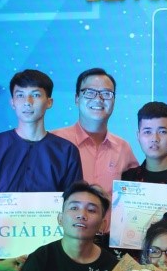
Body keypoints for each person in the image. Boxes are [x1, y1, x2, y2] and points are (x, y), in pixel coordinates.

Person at [0, 69, 82, 271]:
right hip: (1, 259)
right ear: (12, 102)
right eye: (20, 95)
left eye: (36, 95)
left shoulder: (66, 151)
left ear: (49, 102)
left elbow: (73, 207)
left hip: (51, 260)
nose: (27, 102)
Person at [52, 68, 139, 216]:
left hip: (109, 230)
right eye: (90, 92)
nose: (98, 99)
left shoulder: (123, 148)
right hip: (64, 229)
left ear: (114, 100)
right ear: (77, 98)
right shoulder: (55, 142)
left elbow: (137, 193)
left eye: (106, 93)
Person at [120, 101, 167, 186]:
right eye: (147, 132)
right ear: (138, 136)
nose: (155, 139)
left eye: (162, 132)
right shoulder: (127, 179)